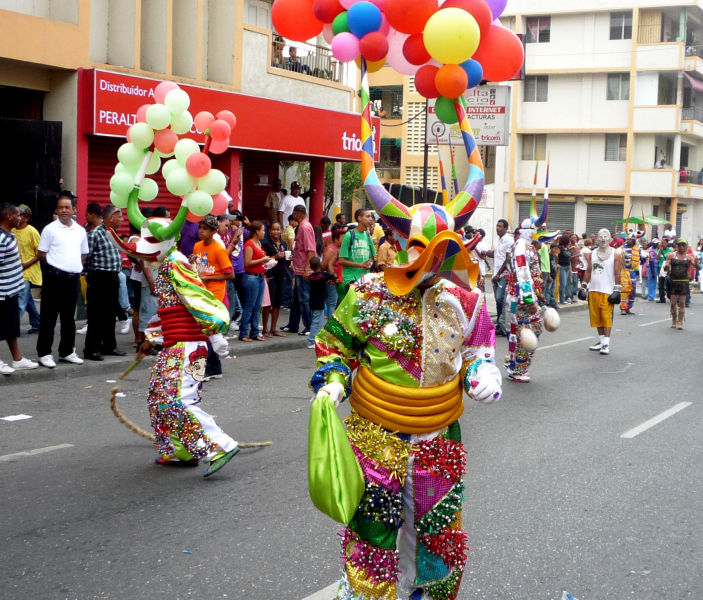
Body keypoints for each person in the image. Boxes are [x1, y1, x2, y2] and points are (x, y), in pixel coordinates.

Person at [36, 191, 88, 368]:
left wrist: (70, 267)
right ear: (56, 210)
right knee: (48, 318)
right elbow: (42, 254)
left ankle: (66, 352)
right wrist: (57, 267)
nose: (64, 210)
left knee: (68, 318)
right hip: (54, 278)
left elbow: (83, 254)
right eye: (60, 207)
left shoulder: (80, 231)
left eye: (67, 207)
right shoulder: (49, 229)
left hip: (72, 279)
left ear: (74, 209)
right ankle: (44, 353)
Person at [192, 215, 235, 376]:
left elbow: (230, 275)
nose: (201, 231)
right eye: (200, 228)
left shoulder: (218, 249)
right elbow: (197, 266)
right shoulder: (197, 246)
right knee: (207, 332)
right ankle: (215, 368)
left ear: (213, 231)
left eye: (205, 229)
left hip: (215, 296)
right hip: (200, 294)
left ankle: (208, 369)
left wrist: (208, 278)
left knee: (207, 332)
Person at [83, 204, 126, 361]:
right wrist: (89, 276)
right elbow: (86, 257)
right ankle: (91, 349)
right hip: (99, 277)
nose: (122, 219)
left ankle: (109, 346)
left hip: (113, 277)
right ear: (111, 217)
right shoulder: (95, 234)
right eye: (119, 216)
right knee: (96, 315)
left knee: (110, 314)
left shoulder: (113, 233)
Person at [504, 220, 545, 383]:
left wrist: (538, 293)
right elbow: (522, 273)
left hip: (526, 297)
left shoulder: (528, 246)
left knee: (532, 330)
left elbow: (532, 273)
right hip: (520, 299)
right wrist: (529, 301)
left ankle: (513, 363)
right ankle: (517, 369)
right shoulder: (521, 246)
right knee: (524, 334)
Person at [0, 203, 39, 374]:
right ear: (9, 216)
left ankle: (17, 359)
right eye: (17, 215)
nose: (20, 218)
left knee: (11, 327)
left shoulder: (9, 235)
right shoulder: (1, 238)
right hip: (2, 292)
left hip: (12, 290)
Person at [580, 228, 622, 355]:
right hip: (594, 290)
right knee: (596, 318)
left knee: (606, 318)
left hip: (607, 291)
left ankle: (606, 344)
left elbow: (617, 273)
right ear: (597, 239)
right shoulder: (592, 254)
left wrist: (617, 290)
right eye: (601, 237)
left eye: (606, 236)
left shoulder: (616, 254)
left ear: (609, 239)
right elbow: (588, 271)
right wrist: (583, 286)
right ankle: (601, 341)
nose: (603, 239)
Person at [286, 204, 316, 336]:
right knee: (297, 299)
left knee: (304, 299)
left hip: (303, 269)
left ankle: (309, 326)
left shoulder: (304, 227)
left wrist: (307, 269)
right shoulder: (303, 226)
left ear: (297, 214)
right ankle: (293, 324)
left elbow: (310, 250)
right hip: (299, 267)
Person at [12, 204, 41, 335]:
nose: (17, 217)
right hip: (15, 271)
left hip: (27, 272)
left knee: (20, 302)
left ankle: (10, 328)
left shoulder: (32, 231)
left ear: (26, 218)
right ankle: (37, 323)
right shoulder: (12, 230)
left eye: (20, 215)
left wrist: (26, 264)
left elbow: (40, 253)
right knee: (27, 300)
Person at [239, 220, 269, 342]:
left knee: (257, 307)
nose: (264, 232)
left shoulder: (259, 244)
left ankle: (255, 332)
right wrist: (263, 259)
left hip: (260, 277)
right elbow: (247, 262)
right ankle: (243, 332)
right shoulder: (249, 244)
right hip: (251, 277)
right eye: (263, 230)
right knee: (249, 306)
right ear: (257, 231)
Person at [261, 221, 289, 336]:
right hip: (270, 275)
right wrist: (275, 256)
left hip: (281, 275)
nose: (276, 232)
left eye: (278, 229)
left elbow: (287, 262)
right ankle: (265, 329)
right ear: (270, 231)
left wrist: (289, 259)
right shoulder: (266, 244)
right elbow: (263, 260)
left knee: (277, 303)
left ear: (281, 230)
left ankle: (273, 328)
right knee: (268, 303)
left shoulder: (284, 244)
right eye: (273, 229)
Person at [339, 208, 376, 294]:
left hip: (365, 279)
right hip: (351, 279)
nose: (371, 219)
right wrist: (360, 265)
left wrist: (370, 263)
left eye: (371, 216)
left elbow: (371, 257)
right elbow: (341, 260)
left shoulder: (367, 236)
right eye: (368, 216)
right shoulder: (349, 235)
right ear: (359, 218)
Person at [487, 218, 513, 336]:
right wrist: (484, 252)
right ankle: (499, 324)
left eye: (500, 226)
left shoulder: (509, 240)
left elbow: (507, 259)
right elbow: (496, 254)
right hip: (495, 274)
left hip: (503, 275)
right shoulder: (498, 240)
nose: (498, 228)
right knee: (499, 301)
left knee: (500, 299)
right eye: (497, 226)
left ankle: (503, 325)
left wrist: (498, 274)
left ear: (506, 228)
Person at [664, 238, 696, 329]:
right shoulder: (671, 255)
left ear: (686, 246)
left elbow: (696, 266)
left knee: (682, 302)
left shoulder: (689, 257)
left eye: (683, 245)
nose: (681, 247)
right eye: (680, 245)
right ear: (676, 246)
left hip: (684, 282)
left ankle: (680, 321)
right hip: (674, 281)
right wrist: (666, 266)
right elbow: (666, 267)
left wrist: (696, 263)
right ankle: (674, 319)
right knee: (673, 303)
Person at [306, 256, 336, 349]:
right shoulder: (324, 275)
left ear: (311, 267)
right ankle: (311, 341)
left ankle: (317, 340)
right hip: (319, 301)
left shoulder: (311, 277)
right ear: (320, 264)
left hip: (313, 300)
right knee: (317, 322)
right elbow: (333, 276)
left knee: (319, 321)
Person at [321, 226, 344, 315]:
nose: (344, 240)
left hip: (337, 280)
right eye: (342, 239)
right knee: (331, 304)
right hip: (331, 281)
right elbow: (324, 265)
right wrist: (332, 276)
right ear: (336, 239)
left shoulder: (339, 249)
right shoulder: (330, 249)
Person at [620, 234, 640, 315]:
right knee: (625, 290)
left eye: (630, 239)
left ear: (634, 240)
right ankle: (623, 308)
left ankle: (628, 307)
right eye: (627, 239)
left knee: (633, 290)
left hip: (632, 272)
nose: (628, 241)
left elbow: (642, 259)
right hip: (624, 271)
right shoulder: (622, 248)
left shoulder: (637, 249)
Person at [557, 234, 572, 305]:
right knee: (563, 283)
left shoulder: (567, 248)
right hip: (562, 266)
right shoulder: (559, 248)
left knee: (565, 283)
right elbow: (566, 255)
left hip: (567, 266)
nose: (569, 242)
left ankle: (564, 298)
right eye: (568, 241)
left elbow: (569, 255)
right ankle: (562, 299)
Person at [656, 238, 673, 302]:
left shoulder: (670, 250)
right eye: (662, 243)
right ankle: (662, 298)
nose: (663, 244)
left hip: (668, 268)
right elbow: (657, 258)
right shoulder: (659, 250)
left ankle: (670, 296)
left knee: (669, 282)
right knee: (661, 283)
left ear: (667, 243)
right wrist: (660, 249)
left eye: (664, 243)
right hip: (661, 268)